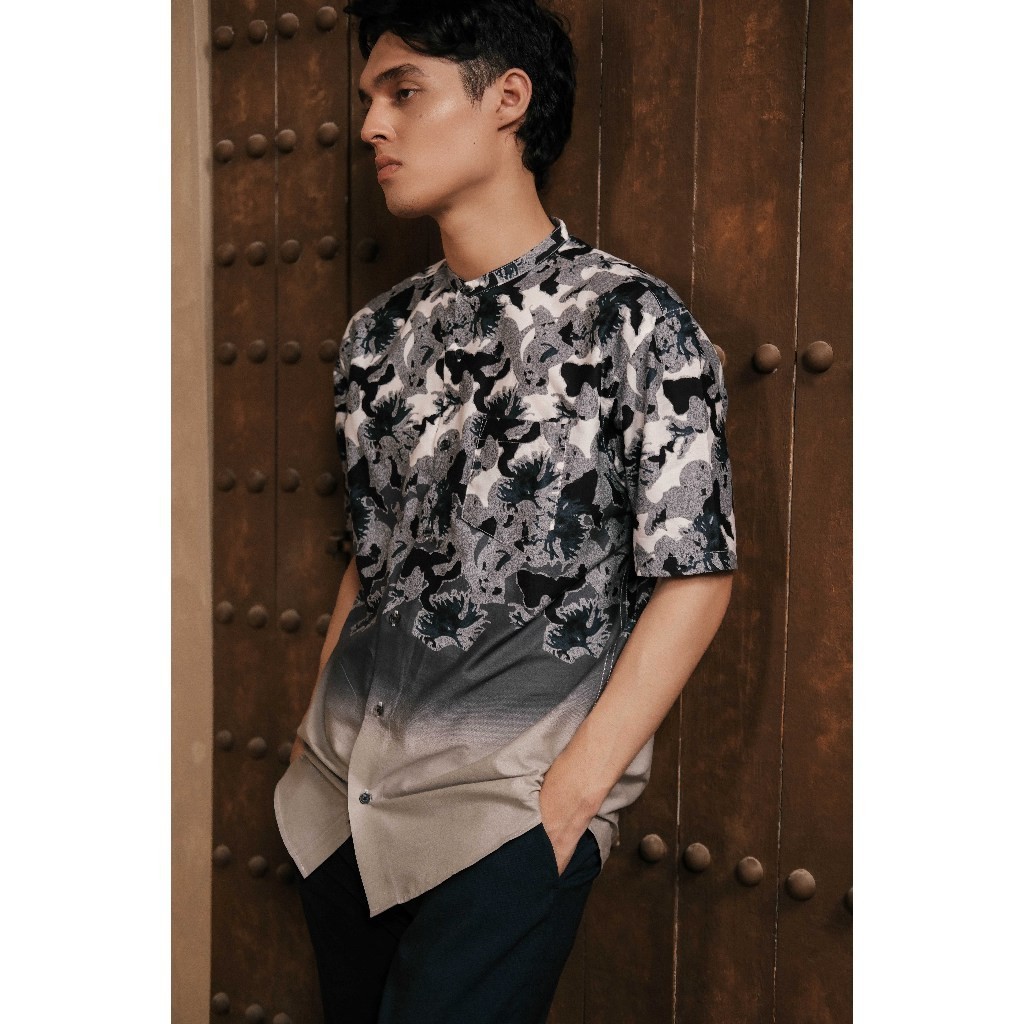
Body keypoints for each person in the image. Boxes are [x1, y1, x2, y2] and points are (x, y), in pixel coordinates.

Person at [274, 2, 738, 1021]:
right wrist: (315, 737)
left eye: (404, 92)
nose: (372, 126)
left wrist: (569, 799)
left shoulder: (632, 321)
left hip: (503, 816)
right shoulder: (375, 337)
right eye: (369, 99)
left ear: (508, 100)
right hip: (339, 806)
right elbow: (373, 558)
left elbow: (695, 574)